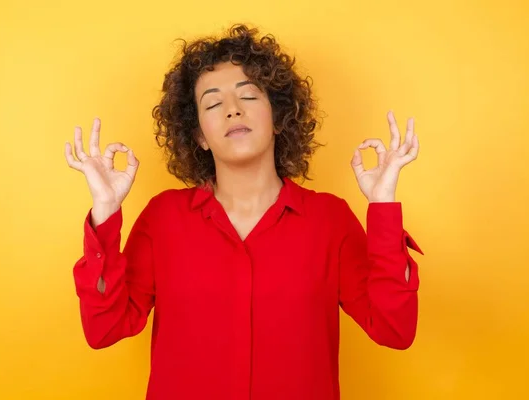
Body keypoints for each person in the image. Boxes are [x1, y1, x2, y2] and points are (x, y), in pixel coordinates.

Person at [64, 24, 424, 400]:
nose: (233, 111)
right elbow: (104, 329)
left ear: (278, 117)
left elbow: (394, 329)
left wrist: (384, 207)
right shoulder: (163, 218)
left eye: (249, 96)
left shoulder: (329, 219)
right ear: (199, 135)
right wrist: (104, 214)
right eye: (213, 104)